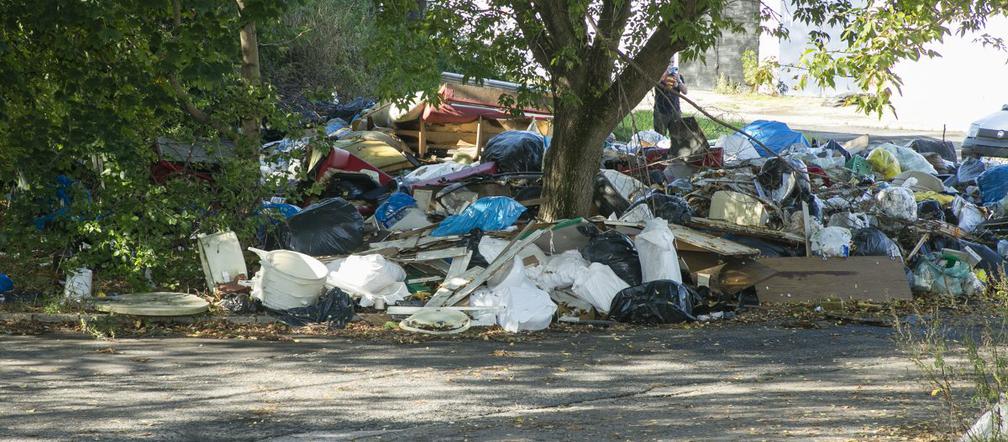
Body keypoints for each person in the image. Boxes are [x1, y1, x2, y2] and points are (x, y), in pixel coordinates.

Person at [653, 66, 688, 137]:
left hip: (675, 111)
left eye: (672, 62)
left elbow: (685, 91)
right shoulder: (659, 75)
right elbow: (653, 84)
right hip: (661, 112)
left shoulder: (678, 76)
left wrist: (679, 81)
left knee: (676, 137)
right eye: (668, 63)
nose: (670, 65)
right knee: (659, 136)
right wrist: (663, 76)